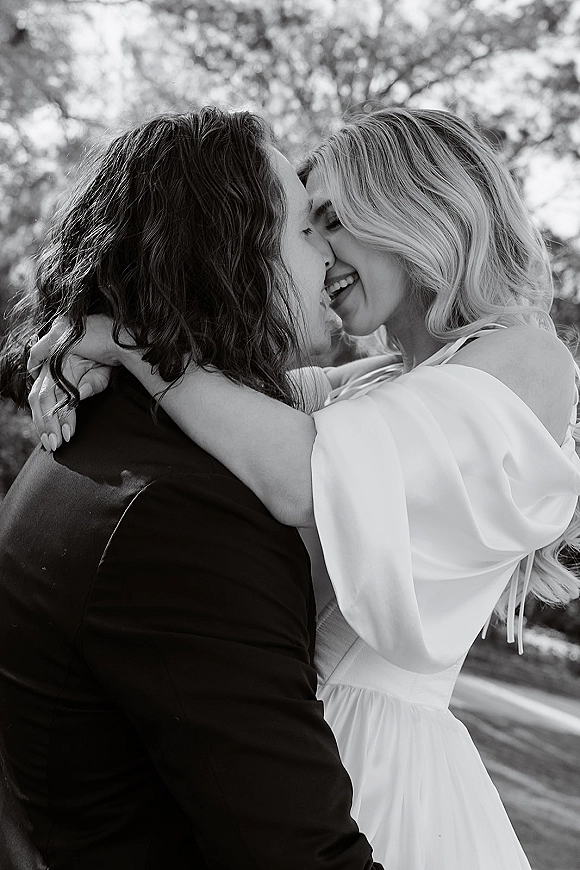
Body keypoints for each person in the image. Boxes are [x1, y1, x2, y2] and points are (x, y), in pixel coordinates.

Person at [30, 108, 580, 870]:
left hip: (377, 769)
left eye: (329, 222)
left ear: (412, 209)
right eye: (306, 229)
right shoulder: (391, 381)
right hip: (284, 739)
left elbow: (302, 476)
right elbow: (239, 405)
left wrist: (134, 345)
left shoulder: (527, 357)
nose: (316, 254)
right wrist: (82, 361)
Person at [0, 109, 385, 870]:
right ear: (232, 255)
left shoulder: (107, 438)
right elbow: (298, 854)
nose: (331, 257)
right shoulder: (185, 511)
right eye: (307, 231)